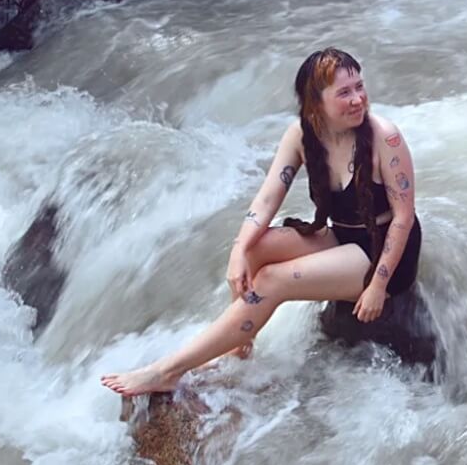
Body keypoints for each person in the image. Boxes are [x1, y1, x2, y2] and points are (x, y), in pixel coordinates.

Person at [101, 48, 422, 396]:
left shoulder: (384, 137)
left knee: (272, 279)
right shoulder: (302, 134)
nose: (358, 99)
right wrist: (239, 251)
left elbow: (403, 218)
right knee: (256, 249)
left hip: (386, 252)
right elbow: (269, 196)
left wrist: (377, 286)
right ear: (315, 103)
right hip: (344, 235)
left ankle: (167, 371)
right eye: (344, 92)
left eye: (360, 86)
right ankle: (239, 347)